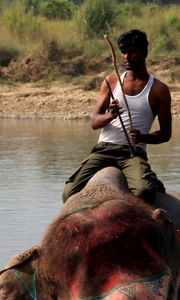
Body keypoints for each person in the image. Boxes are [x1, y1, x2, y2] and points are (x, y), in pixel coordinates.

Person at [62, 29, 172, 205]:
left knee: (144, 192)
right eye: (123, 52)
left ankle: (148, 178)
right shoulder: (111, 82)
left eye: (132, 51)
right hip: (103, 150)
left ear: (144, 52)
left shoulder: (159, 90)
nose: (126, 57)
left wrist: (143, 137)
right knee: (69, 193)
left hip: (132, 153)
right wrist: (110, 115)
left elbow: (166, 134)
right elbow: (94, 122)